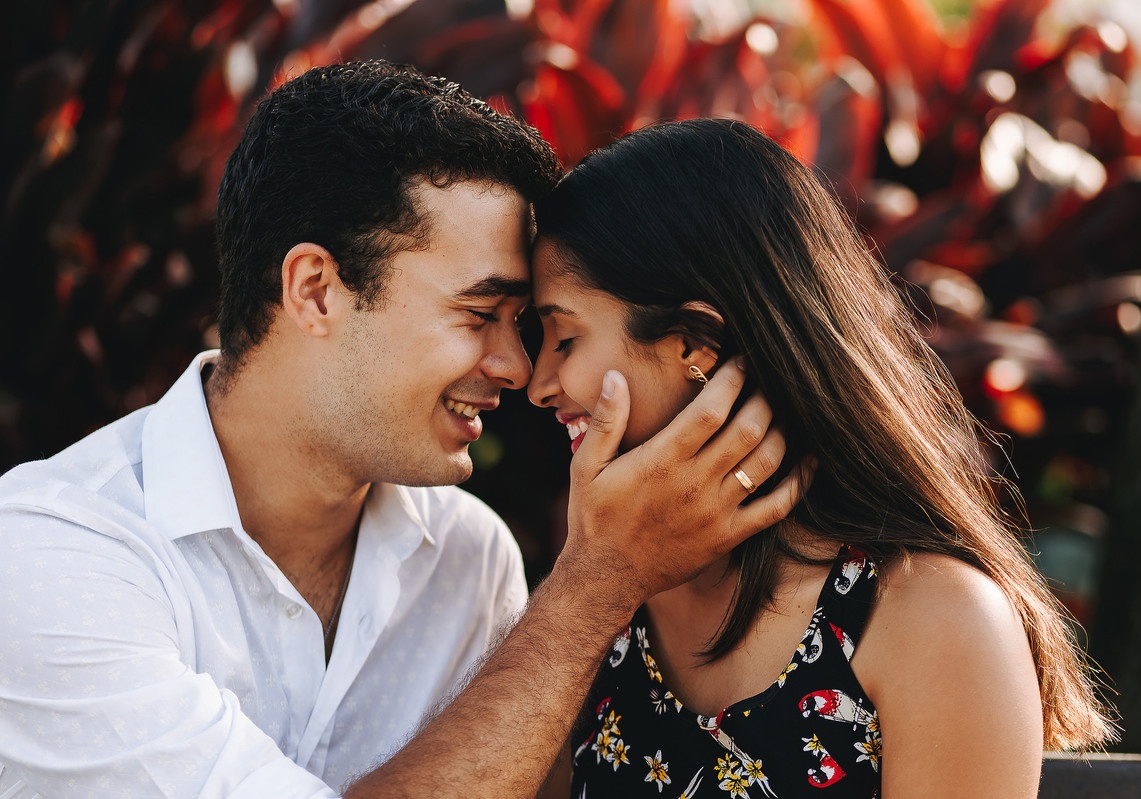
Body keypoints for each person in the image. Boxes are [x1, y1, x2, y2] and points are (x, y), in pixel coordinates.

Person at [0, 63, 803, 798]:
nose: (517, 369)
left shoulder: (468, 559)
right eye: (480, 314)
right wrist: (595, 590)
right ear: (315, 290)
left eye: (523, 323)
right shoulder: (52, 554)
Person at [525, 118, 1116, 798]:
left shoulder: (934, 621)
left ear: (696, 343)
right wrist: (587, 588)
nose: (538, 382)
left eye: (564, 337)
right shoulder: (598, 596)